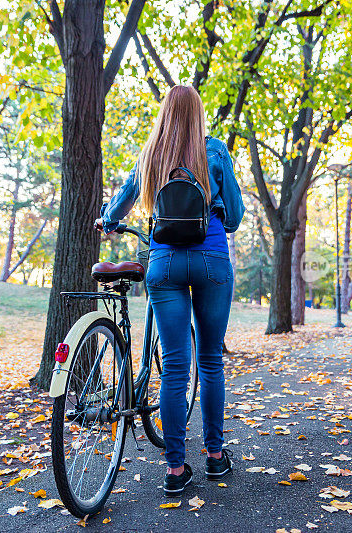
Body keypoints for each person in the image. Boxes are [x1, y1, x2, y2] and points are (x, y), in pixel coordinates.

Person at [96, 85, 245, 496]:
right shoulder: (214, 151)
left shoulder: (151, 155)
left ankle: (176, 470)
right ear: (198, 114)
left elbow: (122, 201)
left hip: (163, 264)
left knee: (176, 369)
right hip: (212, 259)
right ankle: (215, 458)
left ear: (165, 114)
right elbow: (233, 217)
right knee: (210, 361)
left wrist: (107, 219)